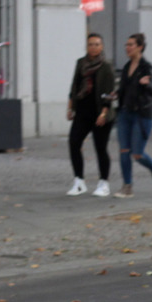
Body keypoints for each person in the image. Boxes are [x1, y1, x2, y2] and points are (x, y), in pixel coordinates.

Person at [113, 33, 152, 198]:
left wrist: (147, 84)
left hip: (142, 115)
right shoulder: (127, 67)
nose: (127, 48)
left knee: (137, 154)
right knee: (123, 150)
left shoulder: (147, 68)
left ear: (140, 47)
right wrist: (116, 94)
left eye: (131, 45)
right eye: (126, 45)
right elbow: (124, 89)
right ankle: (127, 187)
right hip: (125, 113)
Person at [65, 33, 115, 197]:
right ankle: (79, 181)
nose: (93, 47)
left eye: (96, 44)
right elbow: (74, 85)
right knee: (74, 142)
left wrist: (103, 113)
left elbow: (109, 92)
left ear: (101, 47)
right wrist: (70, 107)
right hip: (82, 111)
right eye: (90, 44)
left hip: (100, 113)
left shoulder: (106, 66)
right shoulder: (81, 63)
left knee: (100, 148)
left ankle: (104, 183)